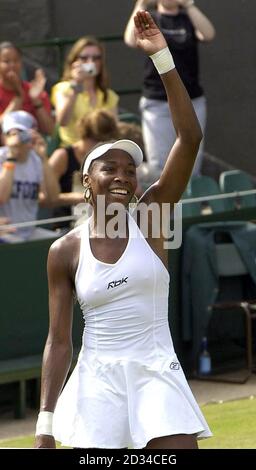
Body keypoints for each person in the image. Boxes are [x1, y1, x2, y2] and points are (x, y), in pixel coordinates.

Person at [35, 11, 211, 449]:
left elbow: (188, 138)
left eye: (130, 170)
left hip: (157, 373)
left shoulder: (151, 217)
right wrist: (45, 425)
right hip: (97, 385)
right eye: (109, 167)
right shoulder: (64, 250)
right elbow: (58, 342)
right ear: (86, 180)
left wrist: (163, 60)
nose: (121, 176)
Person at [124, 0, 215, 175]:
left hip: (191, 99)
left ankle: (188, 202)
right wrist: (140, 4)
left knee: (192, 161)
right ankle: (167, 203)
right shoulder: (150, 18)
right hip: (157, 100)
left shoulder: (187, 18)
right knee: (160, 165)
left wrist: (189, 5)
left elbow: (208, 34)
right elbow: (130, 39)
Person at [48, 109, 120, 229]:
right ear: (83, 135)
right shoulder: (62, 156)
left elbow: (136, 191)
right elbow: (44, 197)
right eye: (95, 141)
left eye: (105, 142)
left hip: (105, 227)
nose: (100, 147)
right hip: (66, 227)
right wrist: (81, 197)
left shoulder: (113, 156)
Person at [0, 111, 60, 241]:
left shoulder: (37, 160)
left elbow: (53, 197)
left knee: (57, 242)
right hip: (5, 232)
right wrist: (11, 157)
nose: (18, 139)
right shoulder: (1, 157)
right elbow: (2, 197)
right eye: (12, 133)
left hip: (29, 231)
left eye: (22, 133)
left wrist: (44, 158)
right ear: (5, 137)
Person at [51, 36, 119, 147]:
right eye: (84, 58)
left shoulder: (109, 95)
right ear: (74, 61)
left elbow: (114, 131)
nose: (90, 62)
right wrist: (77, 85)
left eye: (96, 58)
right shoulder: (63, 88)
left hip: (102, 150)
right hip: (74, 150)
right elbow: (63, 121)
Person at [0, 41, 54, 136]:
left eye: (16, 60)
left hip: (31, 146)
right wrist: (19, 96)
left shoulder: (34, 91)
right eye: (6, 61)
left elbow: (50, 131)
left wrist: (36, 100)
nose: (12, 65)